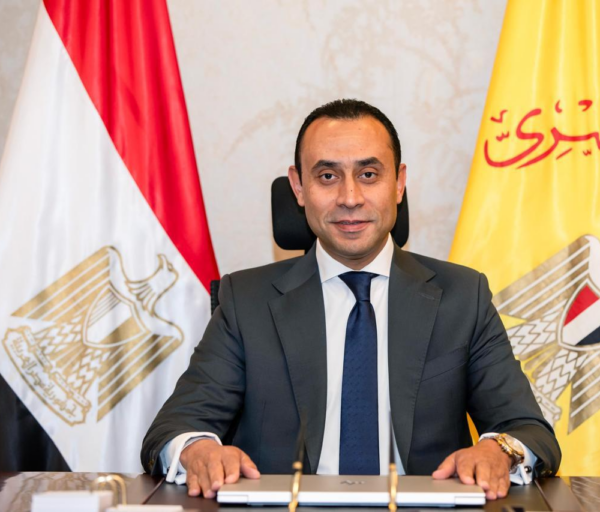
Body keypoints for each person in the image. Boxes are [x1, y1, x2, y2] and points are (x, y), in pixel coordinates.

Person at [141, 99, 561, 501]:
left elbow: (528, 430)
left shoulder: (462, 297)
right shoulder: (246, 301)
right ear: (298, 187)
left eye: (369, 174)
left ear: (399, 183)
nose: (350, 197)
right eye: (327, 176)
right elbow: (175, 429)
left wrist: (498, 450)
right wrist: (197, 449)